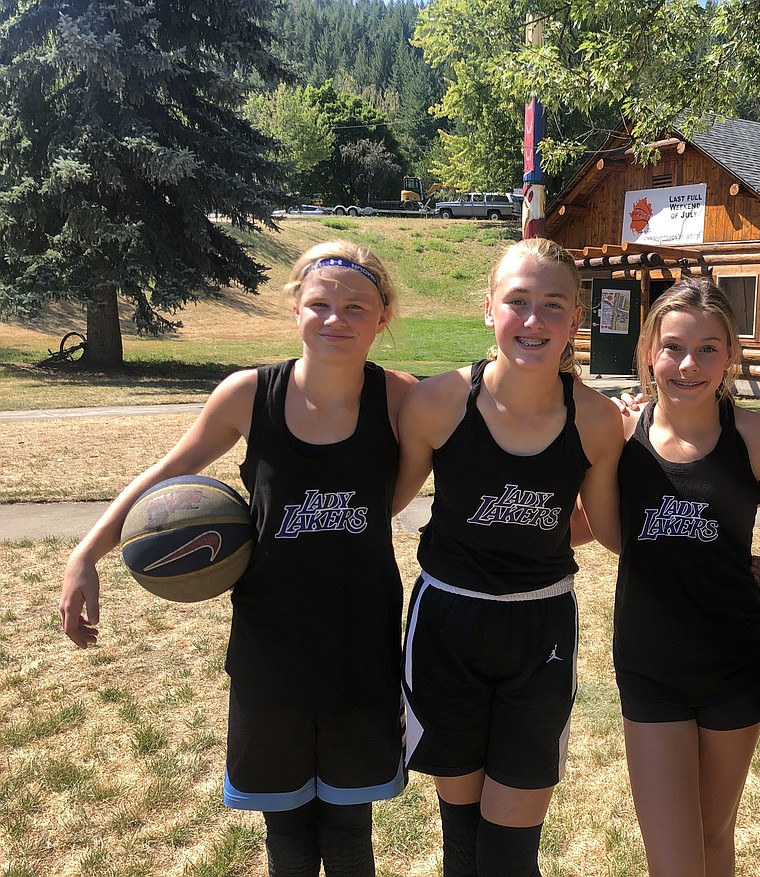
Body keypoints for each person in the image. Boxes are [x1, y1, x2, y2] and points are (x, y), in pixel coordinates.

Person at [59, 241, 415, 877]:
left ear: (382, 316)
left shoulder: (401, 400)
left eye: (355, 306)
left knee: (350, 828)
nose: (335, 318)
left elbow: (489, 412)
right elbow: (166, 476)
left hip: (362, 643)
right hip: (268, 647)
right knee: (287, 832)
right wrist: (87, 553)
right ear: (295, 310)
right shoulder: (249, 394)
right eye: (320, 304)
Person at [391, 237, 623, 877]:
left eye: (553, 305)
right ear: (489, 308)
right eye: (517, 301)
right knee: (461, 828)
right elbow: (377, 504)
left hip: (539, 629)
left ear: (576, 319)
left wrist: (715, 561)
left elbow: (604, 531)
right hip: (446, 625)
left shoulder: (598, 421)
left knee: (512, 840)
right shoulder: (437, 402)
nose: (533, 320)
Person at [587, 276, 760, 877]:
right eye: (673, 346)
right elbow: (605, 533)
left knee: (715, 837)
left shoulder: (759, 438)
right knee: (673, 856)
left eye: (709, 348)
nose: (689, 364)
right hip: (650, 662)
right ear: (649, 352)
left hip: (733, 662)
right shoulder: (619, 437)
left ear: (731, 354)